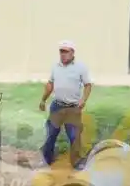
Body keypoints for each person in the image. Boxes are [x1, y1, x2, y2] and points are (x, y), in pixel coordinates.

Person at [38, 41, 92, 169]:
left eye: (66, 51)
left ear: (72, 52)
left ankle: (76, 162)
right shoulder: (56, 67)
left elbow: (88, 85)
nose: (63, 54)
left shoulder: (80, 67)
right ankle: (46, 160)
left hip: (73, 108)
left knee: (74, 136)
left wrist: (83, 100)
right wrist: (43, 100)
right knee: (51, 134)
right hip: (57, 106)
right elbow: (50, 84)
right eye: (61, 51)